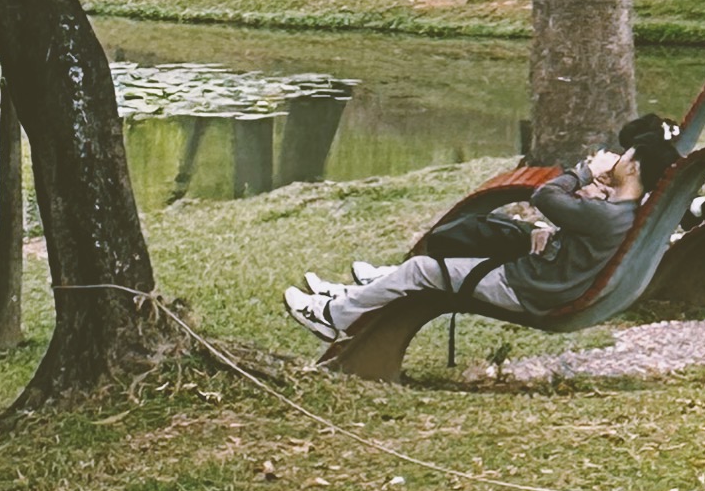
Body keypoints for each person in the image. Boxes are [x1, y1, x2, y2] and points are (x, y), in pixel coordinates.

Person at [284, 113, 676, 346]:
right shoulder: (625, 209)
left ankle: (333, 317)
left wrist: (584, 172)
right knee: (467, 245)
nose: (620, 155)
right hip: (545, 277)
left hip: (530, 288)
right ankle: (356, 293)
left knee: (421, 270)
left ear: (634, 166)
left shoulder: (608, 215)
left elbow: (545, 195)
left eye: (626, 154)